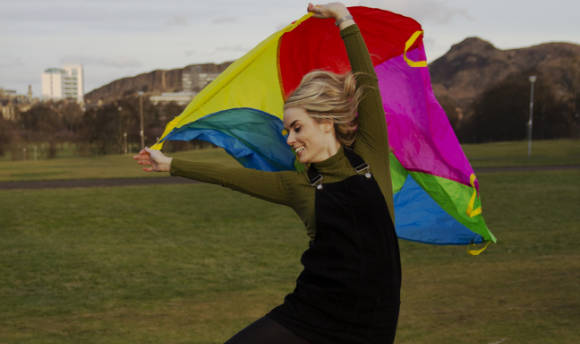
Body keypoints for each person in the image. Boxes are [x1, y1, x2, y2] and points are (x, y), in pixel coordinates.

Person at [133, 2, 401, 343]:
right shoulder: (300, 186)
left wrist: (343, 18)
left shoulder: (369, 154)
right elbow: (232, 177)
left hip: (371, 325)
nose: (290, 139)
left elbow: (368, 81)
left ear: (325, 122)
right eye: (287, 131)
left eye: (296, 128)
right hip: (310, 315)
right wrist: (171, 164)